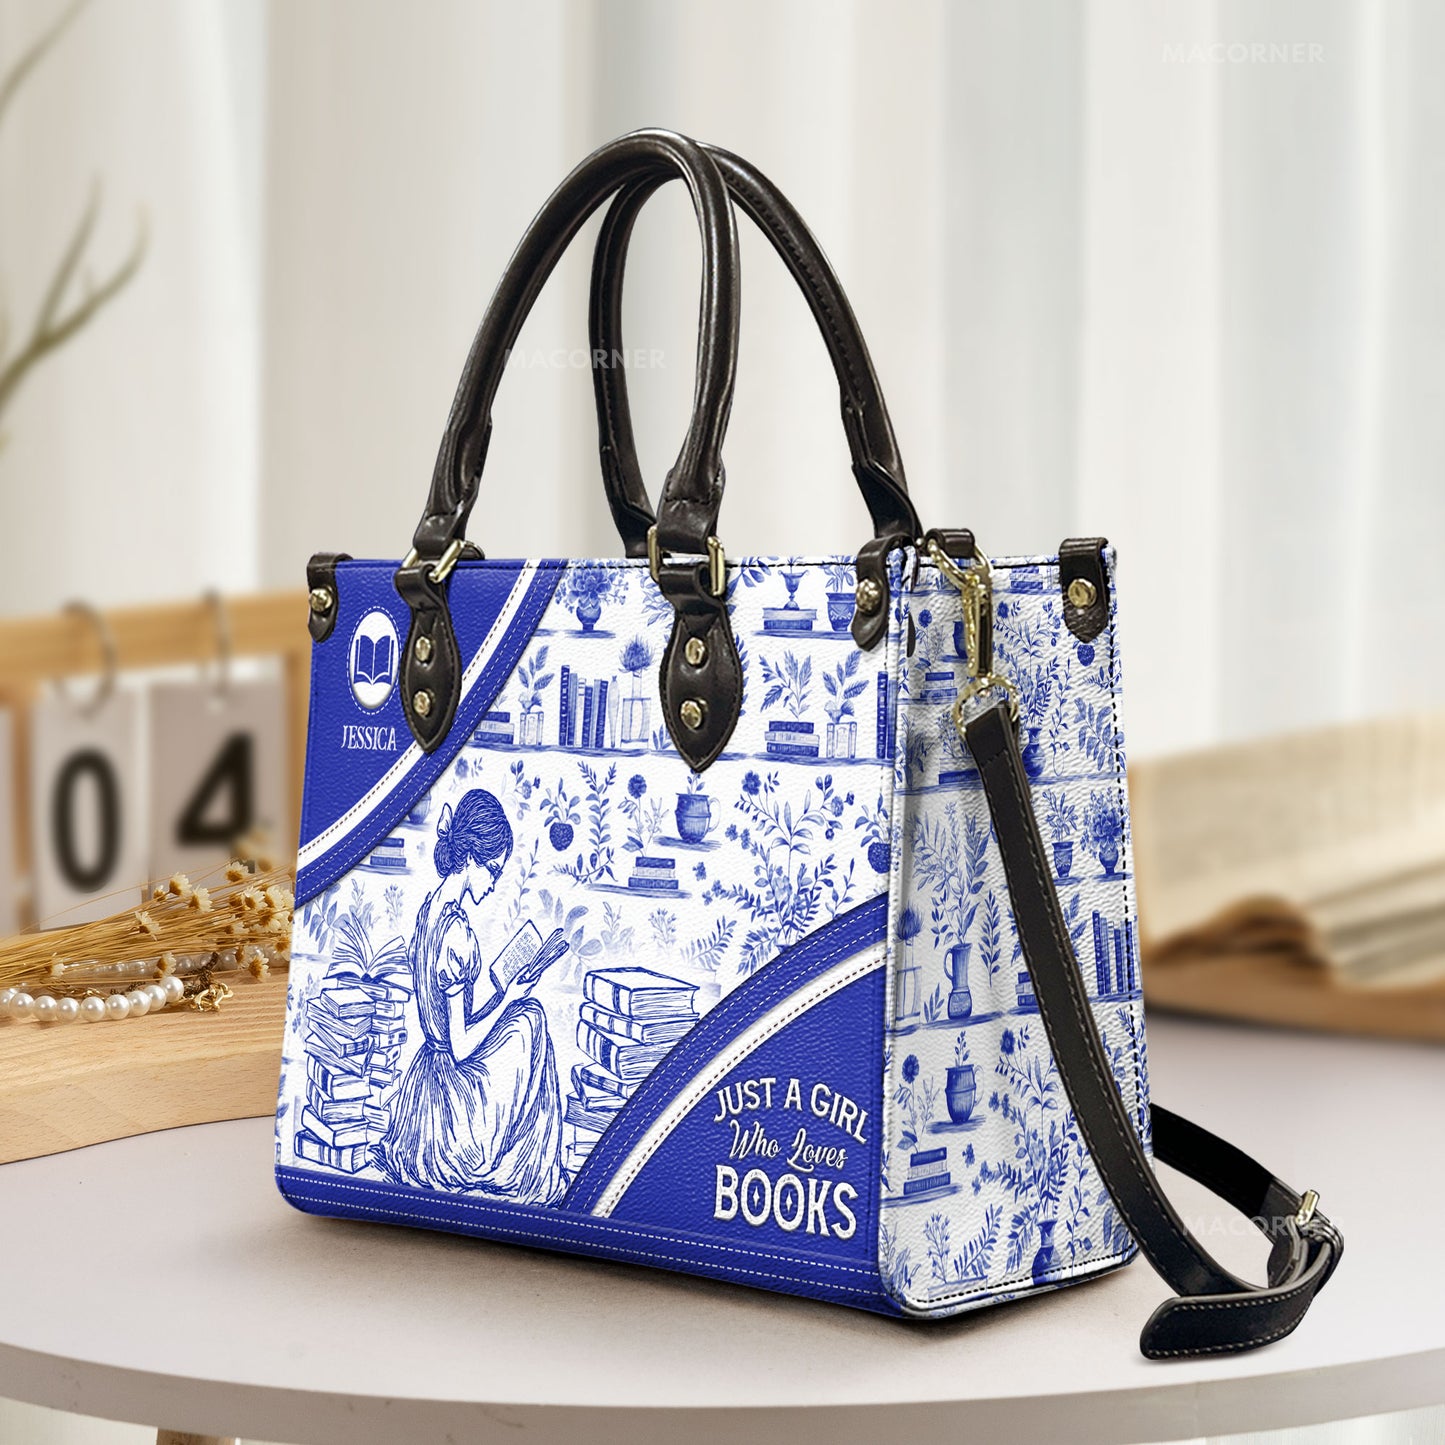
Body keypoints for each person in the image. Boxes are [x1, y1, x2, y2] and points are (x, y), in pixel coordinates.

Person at [373, 788, 568, 1201]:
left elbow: (452, 1024)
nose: (494, 884)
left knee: (521, 1009)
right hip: (454, 1102)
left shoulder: (431, 911)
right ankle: (527, 1164)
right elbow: (462, 1047)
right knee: (531, 1018)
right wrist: (510, 1001)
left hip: (430, 1077)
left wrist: (501, 994)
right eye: (493, 870)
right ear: (471, 858)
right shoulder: (457, 933)